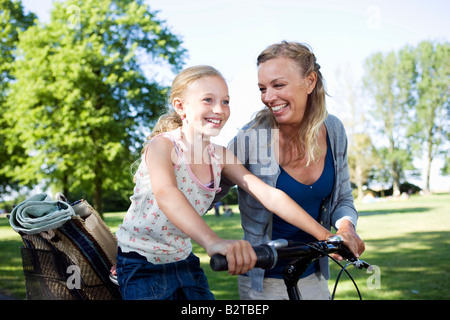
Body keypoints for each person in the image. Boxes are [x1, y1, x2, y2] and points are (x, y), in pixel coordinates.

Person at [115, 65, 338, 300]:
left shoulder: (219, 156)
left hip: (182, 258)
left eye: (225, 102)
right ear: (181, 107)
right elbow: (167, 194)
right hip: (140, 261)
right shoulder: (164, 146)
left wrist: (325, 235)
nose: (218, 109)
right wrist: (212, 242)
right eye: (208, 100)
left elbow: (268, 194)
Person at [215, 41, 365, 300]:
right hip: (264, 279)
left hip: (313, 272)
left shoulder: (333, 131)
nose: (268, 97)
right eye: (262, 88)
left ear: (310, 81)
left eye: (278, 85)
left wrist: (346, 228)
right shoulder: (253, 138)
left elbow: (342, 199)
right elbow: (208, 193)